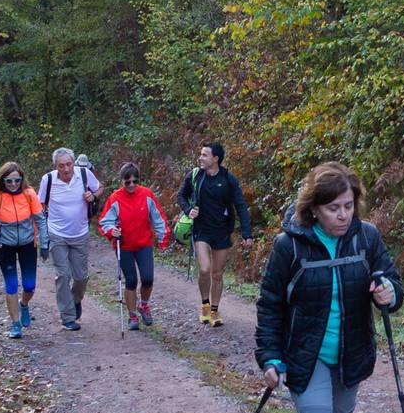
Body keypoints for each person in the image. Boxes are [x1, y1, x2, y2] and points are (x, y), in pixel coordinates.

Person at [255, 162, 403, 413]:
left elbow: (391, 280)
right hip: (305, 358)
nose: (343, 215)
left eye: (349, 206)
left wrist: (388, 292)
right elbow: (270, 305)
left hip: (351, 356)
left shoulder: (365, 238)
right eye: (334, 208)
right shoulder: (290, 246)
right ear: (314, 209)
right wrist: (269, 355)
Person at [176, 141, 253, 327]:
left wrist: (247, 233)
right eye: (200, 154)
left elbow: (241, 205)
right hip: (201, 230)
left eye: (204, 155)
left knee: (217, 274)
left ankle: (215, 310)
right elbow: (181, 195)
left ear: (215, 159)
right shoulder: (195, 175)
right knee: (204, 269)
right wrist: (188, 210)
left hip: (222, 231)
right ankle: (204, 303)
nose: (200, 158)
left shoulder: (228, 179)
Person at [97, 162, 169, 331]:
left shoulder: (147, 195)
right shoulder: (115, 198)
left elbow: (158, 217)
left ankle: (143, 305)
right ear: (121, 181)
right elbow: (104, 221)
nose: (131, 185)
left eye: (135, 181)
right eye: (127, 182)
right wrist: (112, 230)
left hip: (143, 243)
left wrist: (163, 236)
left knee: (148, 278)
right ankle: (132, 315)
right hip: (124, 245)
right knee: (131, 280)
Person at [0, 160, 46, 340]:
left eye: (16, 180)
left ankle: (24, 304)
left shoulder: (29, 194)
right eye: (9, 181)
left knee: (29, 285)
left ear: (21, 179)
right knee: (11, 285)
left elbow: (40, 219)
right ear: (3, 181)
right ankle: (15, 324)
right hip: (5, 245)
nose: (13, 184)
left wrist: (45, 243)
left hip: (27, 244)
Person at [39, 148, 101, 330]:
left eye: (68, 164)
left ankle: (75, 300)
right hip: (56, 234)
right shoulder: (48, 180)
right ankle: (67, 317)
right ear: (55, 166)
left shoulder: (84, 174)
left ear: (73, 163)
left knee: (81, 277)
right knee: (63, 275)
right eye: (61, 166)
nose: (66, 169)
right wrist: (42, 232)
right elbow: (39, 204)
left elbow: (100, 189)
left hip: (80, 233)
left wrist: (93, 195)